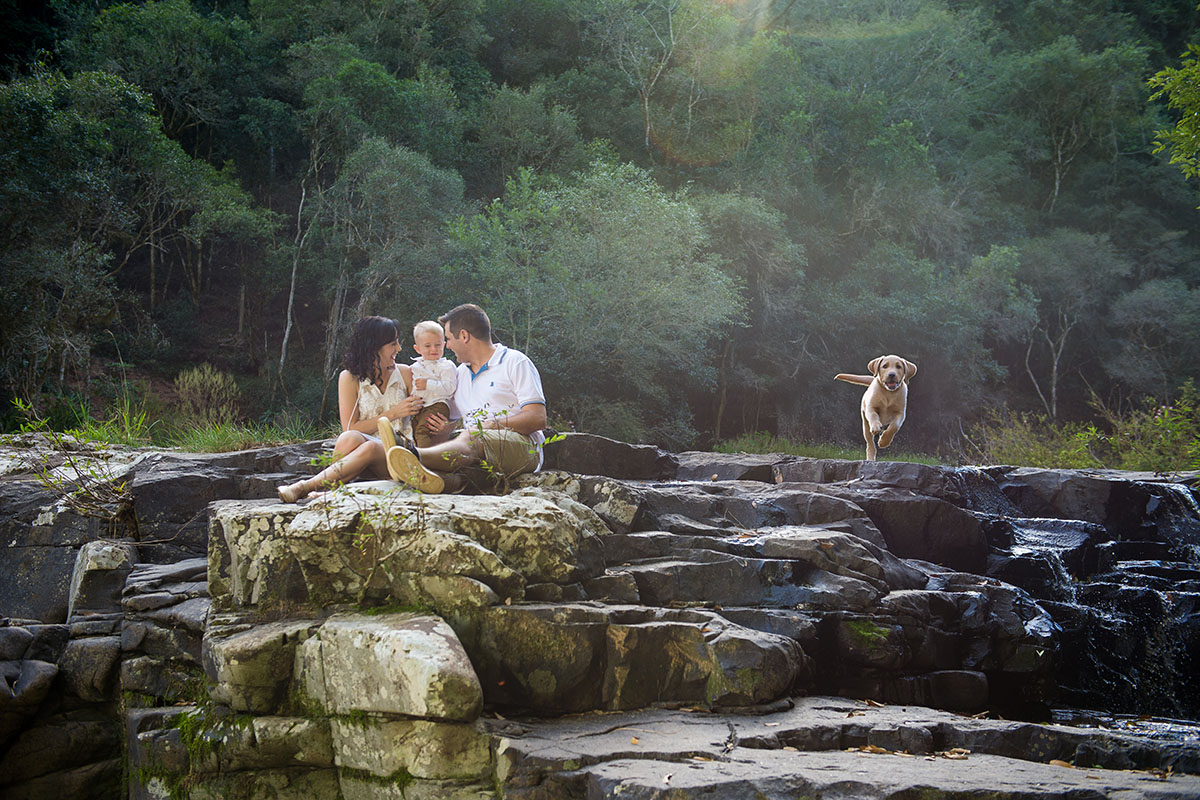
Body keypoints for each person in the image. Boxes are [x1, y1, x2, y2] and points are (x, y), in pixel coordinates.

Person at [384, 303, 546, 494]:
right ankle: (435, 479)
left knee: (472, 436)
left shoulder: (514, 361)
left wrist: (491, 425)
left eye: (449, 339)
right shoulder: (458, 374)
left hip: (522, 447)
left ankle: (411, 455)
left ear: (464, 336)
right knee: (460, 463)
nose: (448, 345)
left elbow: (538, 418)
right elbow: (450, 425)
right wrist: (442, 429)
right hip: (477, 451)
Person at [277, 316, 424, 503]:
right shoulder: (350, 378)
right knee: (349, 437)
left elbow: (430, 405)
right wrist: (394, 413)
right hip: (361, 456)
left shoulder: (405, 373)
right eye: (393, 343)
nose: (398, 349)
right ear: (373, 347)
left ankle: (305, 486)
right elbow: (350, 427)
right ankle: (330, 489)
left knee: (370, 446)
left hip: (399, 453)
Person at [408, 320, 458, 448]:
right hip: (421, 407)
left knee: (422, 432)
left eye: (438, 345)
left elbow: (450, 389)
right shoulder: (415, 366)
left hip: (437, 404)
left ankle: (424, 460)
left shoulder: (446, 366)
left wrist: (428, 384)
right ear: (417, 349)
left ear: (444, 344)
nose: (433, 349)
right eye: (427, 346)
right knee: (411, 430)